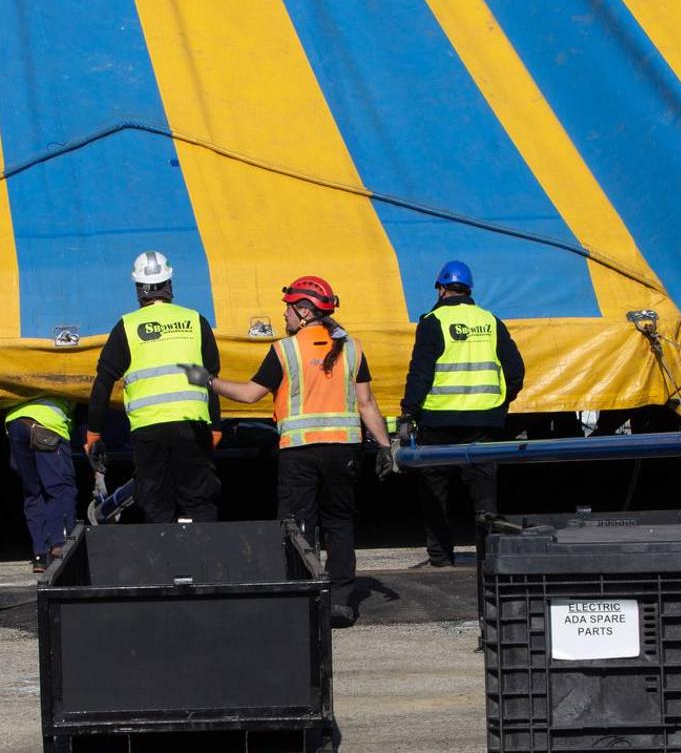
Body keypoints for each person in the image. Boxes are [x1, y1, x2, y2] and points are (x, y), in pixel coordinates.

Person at [180, 275, 392, 628]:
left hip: (300, 452)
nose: (284, 315)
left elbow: (249, 395)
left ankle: (304, 596)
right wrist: (385, 447)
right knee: (339, 524)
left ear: (305, 311)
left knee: (297, 526)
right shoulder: (353, 348)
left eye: (289, 308)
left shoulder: (285, 350)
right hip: (344, 451)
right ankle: (340, 601)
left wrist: (208, 381)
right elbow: (367, 403)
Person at [399, 260, 525, 567]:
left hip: (438, 421)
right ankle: (490, 557)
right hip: (483, 421)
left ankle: (441, 557)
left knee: (435, 492)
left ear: (441, 289)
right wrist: (499, 404)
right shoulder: (490, 321)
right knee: (484, 494)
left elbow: (421, 373)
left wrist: (409, 412)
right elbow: (515, 371)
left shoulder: (433, 322)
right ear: (468, 289)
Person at [87, 251, 222, 524]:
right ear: (169, 283)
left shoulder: (127, 327)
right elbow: (211, 380)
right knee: (199, 502)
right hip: (193, 427)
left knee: (157, 505)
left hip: (149, 431)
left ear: (138, 288)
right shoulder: (196, 321)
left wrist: (93, 432)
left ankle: (163, 552)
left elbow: (103, 382)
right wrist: (216, 426)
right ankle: (204, 550)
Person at [5, 397, 77, 572]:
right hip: (48, 423)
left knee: (33, 492)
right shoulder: (61, 380)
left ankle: (41, 555)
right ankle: (60, 548)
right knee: (61, 489)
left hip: (16, 423)